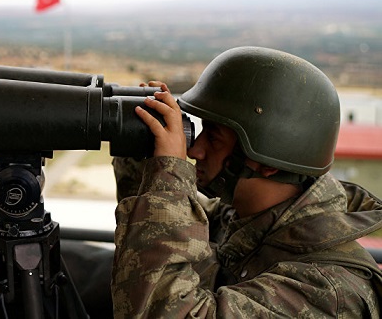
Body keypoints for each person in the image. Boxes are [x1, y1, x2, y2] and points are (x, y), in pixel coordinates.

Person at [111, 46, 382, 317]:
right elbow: (156, 240)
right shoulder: (242, 222)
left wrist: (170, 171)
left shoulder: (327, 293)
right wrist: (141, 146)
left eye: (214, 138)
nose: (195, 151)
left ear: (266, 164)